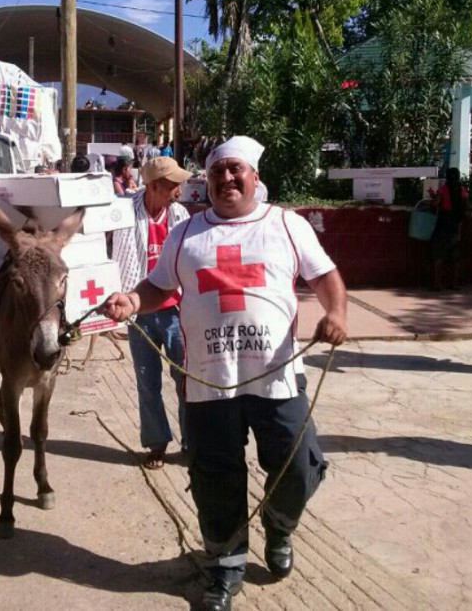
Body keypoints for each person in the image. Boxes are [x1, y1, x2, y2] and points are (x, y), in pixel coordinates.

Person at [101, 135, 348, 611]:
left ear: (254, 176)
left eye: (237, 170)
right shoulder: (188, 233)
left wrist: (336, 313)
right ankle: (224, 567)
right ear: (207, 181)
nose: (228, 179)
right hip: (208, 383)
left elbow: (325, 277)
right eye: (218, 172)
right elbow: (158, 285)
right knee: (216, 479)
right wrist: (133, 300)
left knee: (298, 468)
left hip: (277, 377)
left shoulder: (286, 225)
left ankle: (279, 526)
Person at [112, 156, 192, 469]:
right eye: (173, 183)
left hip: (176, 311)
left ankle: (192, 441)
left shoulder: (180, 215)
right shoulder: (124, 212)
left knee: (185, 379)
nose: (179, 189)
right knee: (147, 381)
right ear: (155, 185)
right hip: (140, 310)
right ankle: (157, 442)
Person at [428, 167, 468, 291]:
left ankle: (437, 283)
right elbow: (464, 208)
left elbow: (435, 204)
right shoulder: (462, 191)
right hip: (456, 224)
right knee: (455, 257)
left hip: (443, 223)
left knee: (438, 255)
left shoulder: (443, 190)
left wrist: (432, 196)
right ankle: (454, 283)